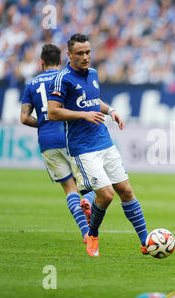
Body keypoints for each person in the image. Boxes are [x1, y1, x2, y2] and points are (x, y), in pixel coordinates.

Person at [47, 34, 148, 258]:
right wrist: (82, 115)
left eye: (88, 52)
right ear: (70, 55)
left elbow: (94, 101)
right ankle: (92, 234)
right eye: (80, 53)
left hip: (104, 141)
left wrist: (110, 111)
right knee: (106, 194)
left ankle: (145, 241)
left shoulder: (93, 74)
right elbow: (52, 112)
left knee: (126, 190)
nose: (85, 57)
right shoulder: (62, 78)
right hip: (82, 148)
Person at [20, 43, 95, 244]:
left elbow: (24, 118)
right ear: (62, 60)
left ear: (41, 62)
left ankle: (85, 232)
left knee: (70, 189)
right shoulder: (66, 78)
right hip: (71, 137)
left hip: (47, 141)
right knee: (92, 185)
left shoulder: (31, 84)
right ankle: (87, 201)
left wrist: (43, 124)